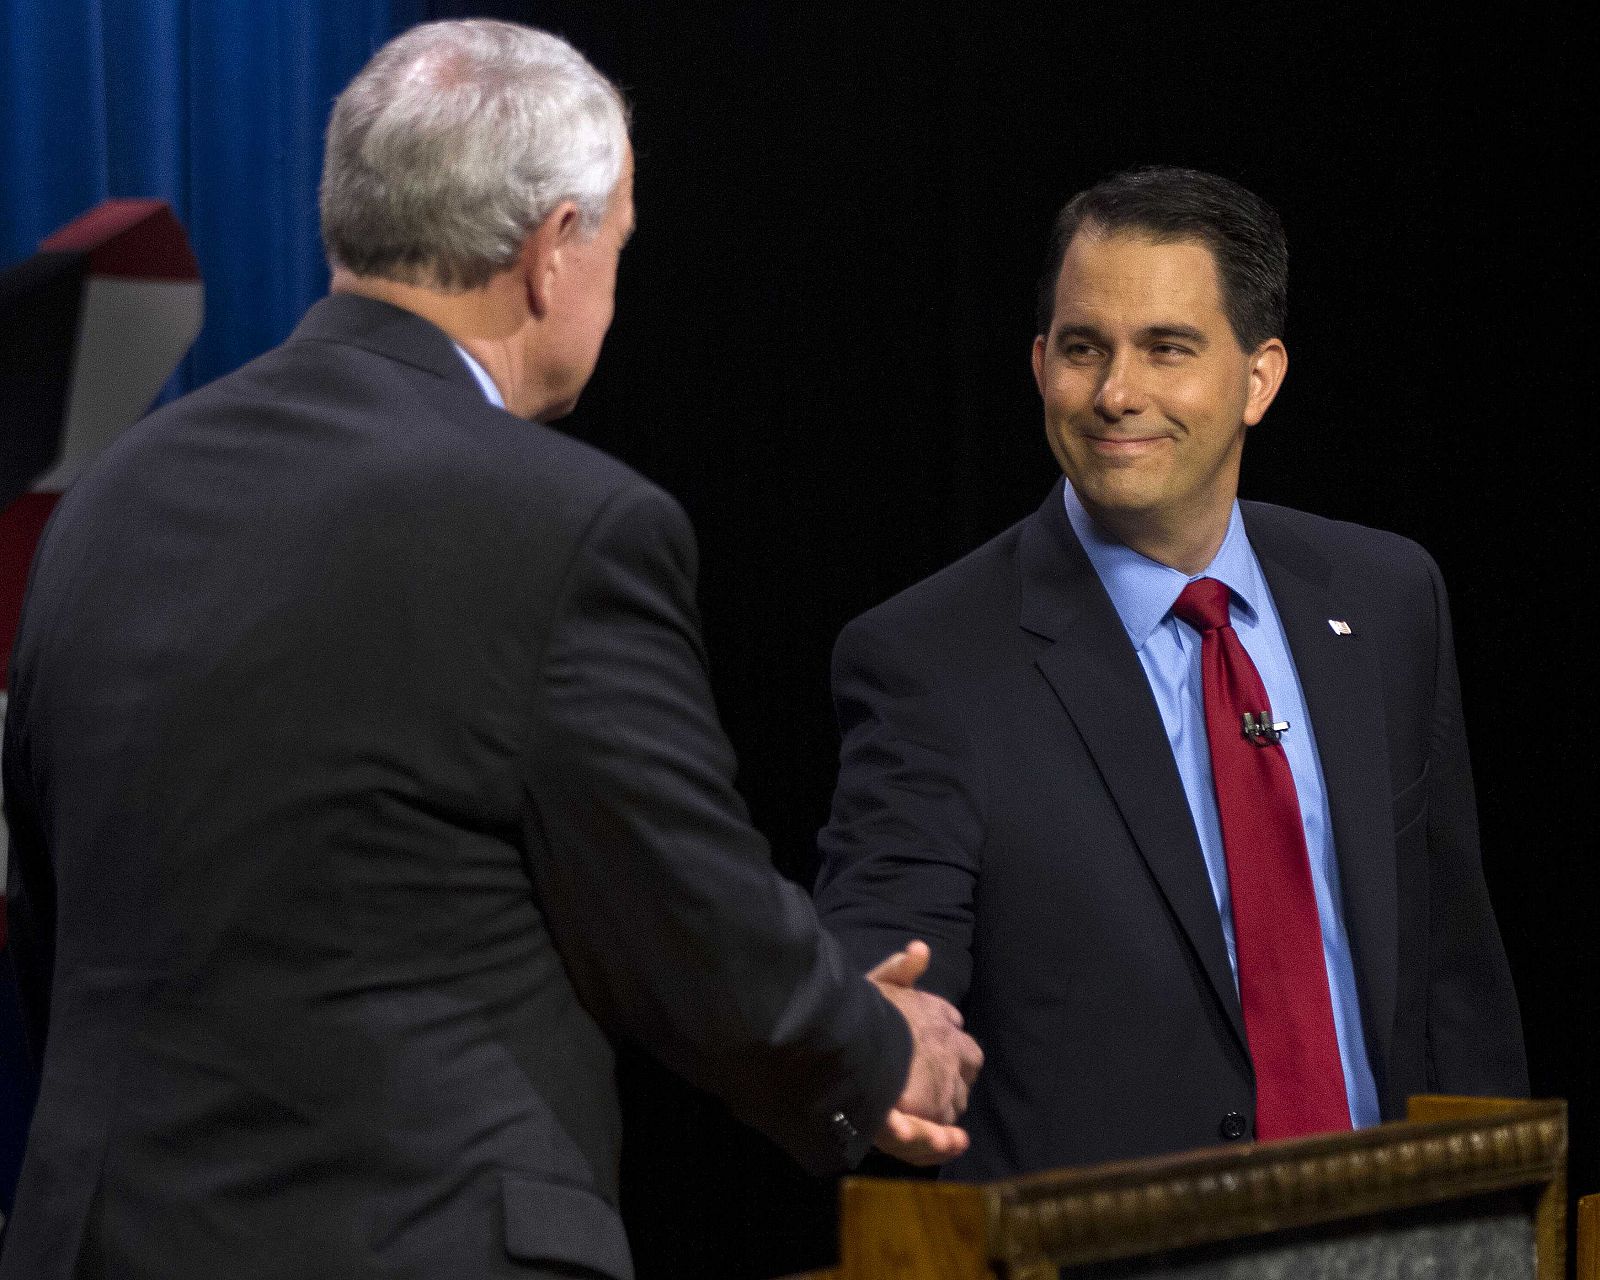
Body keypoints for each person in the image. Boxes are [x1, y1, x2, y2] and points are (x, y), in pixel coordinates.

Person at [0, 20, 980, 1279]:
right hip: (415, 1238)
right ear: (551, 249)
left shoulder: (114, 497)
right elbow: (686, 915)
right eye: (617, 242)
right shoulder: (562, 523)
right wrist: (880, 1044)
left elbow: (58, 914)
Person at [814, 166, 1526, 1181]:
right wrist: (867, 1044)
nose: (1115, 393)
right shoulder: (927, 660)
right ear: (1038, 363)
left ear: (1258, 376)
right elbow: (887, 959)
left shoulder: (1385, 598)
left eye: (1166, 348)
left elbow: (1454, 981)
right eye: (1082, 348)